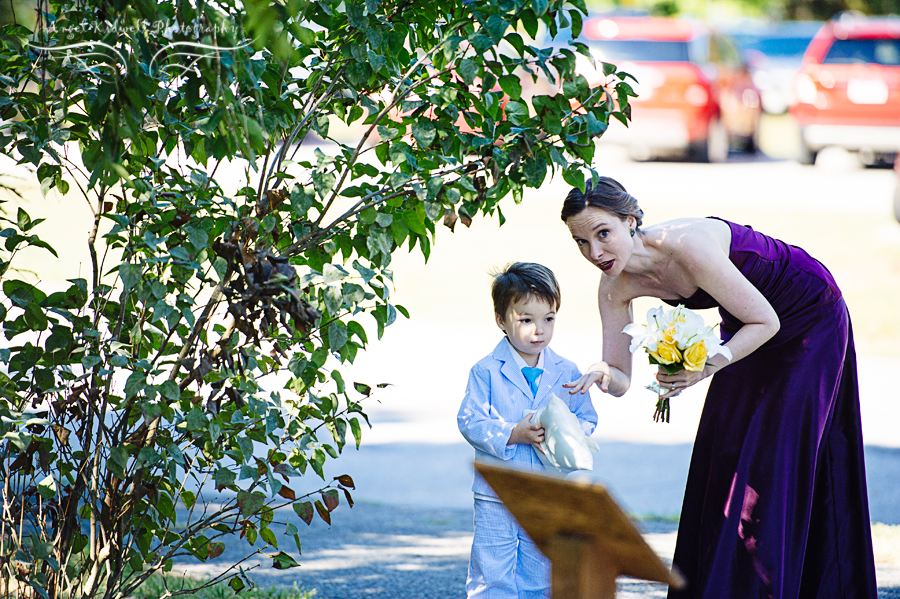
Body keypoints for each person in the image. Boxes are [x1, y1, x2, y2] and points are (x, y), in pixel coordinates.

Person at [560, 177, 877, 599]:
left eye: (603, 234)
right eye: (581, 242)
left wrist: (701, 369)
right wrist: (603, 372)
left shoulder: (685, 245)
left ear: (631, 221)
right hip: (745, 326)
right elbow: (620, 377)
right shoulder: (614, 287)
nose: (595, 253)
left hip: (806, 317)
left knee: (775, 458)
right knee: (725, 449)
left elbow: (767, 322)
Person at [458, 262, 598, 599]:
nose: (539, 330)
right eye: (526, 320)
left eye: (548, 319)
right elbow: (471, 420)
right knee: (493, 572)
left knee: (540, 573)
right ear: (501, 320)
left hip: (547, 490)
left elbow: (587, 417)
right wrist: (512, 433)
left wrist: (569, 432)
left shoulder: (566, 370)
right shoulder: (486, 371)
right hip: (498, 492)